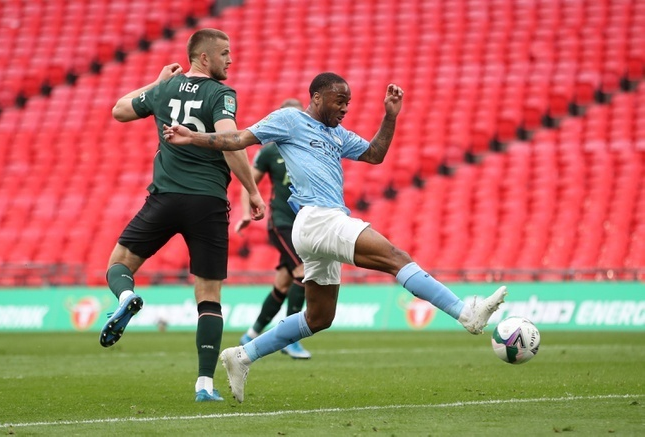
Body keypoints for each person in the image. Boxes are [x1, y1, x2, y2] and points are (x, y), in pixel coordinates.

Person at [162, 72, 507, 403]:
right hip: (318, 218)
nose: (345, 108)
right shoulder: (290, 120)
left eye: (348, 102)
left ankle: (243, 355)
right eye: (339, 101)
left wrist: (390, 116)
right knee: (396, 257)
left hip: (318, 225)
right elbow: (238, 139)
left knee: (319, 318)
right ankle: (466, 313)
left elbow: (374, 155)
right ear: (316, 97)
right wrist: (192, 137)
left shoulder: (338, 135)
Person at [99, 28, 266, 403]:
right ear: (204, 57)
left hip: (165, 197)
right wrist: (252, 191)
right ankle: (204, 384)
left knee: (119, 263)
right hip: (208, 202)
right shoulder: (221, 94)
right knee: (209, 295)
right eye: (224, 53)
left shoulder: (166, 89)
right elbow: (231, 142)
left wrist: (157, 83)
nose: (230, 59)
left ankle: (127, 296)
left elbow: (119, 110)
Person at [235, 98, 311, 360]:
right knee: (303, 272)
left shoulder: (311, 147)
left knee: (283, 283)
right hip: (281, 222)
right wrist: (246, 213)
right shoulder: (269, 151)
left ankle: (251, 334)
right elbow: (249, 182)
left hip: (305, 224)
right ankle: (290, 339)